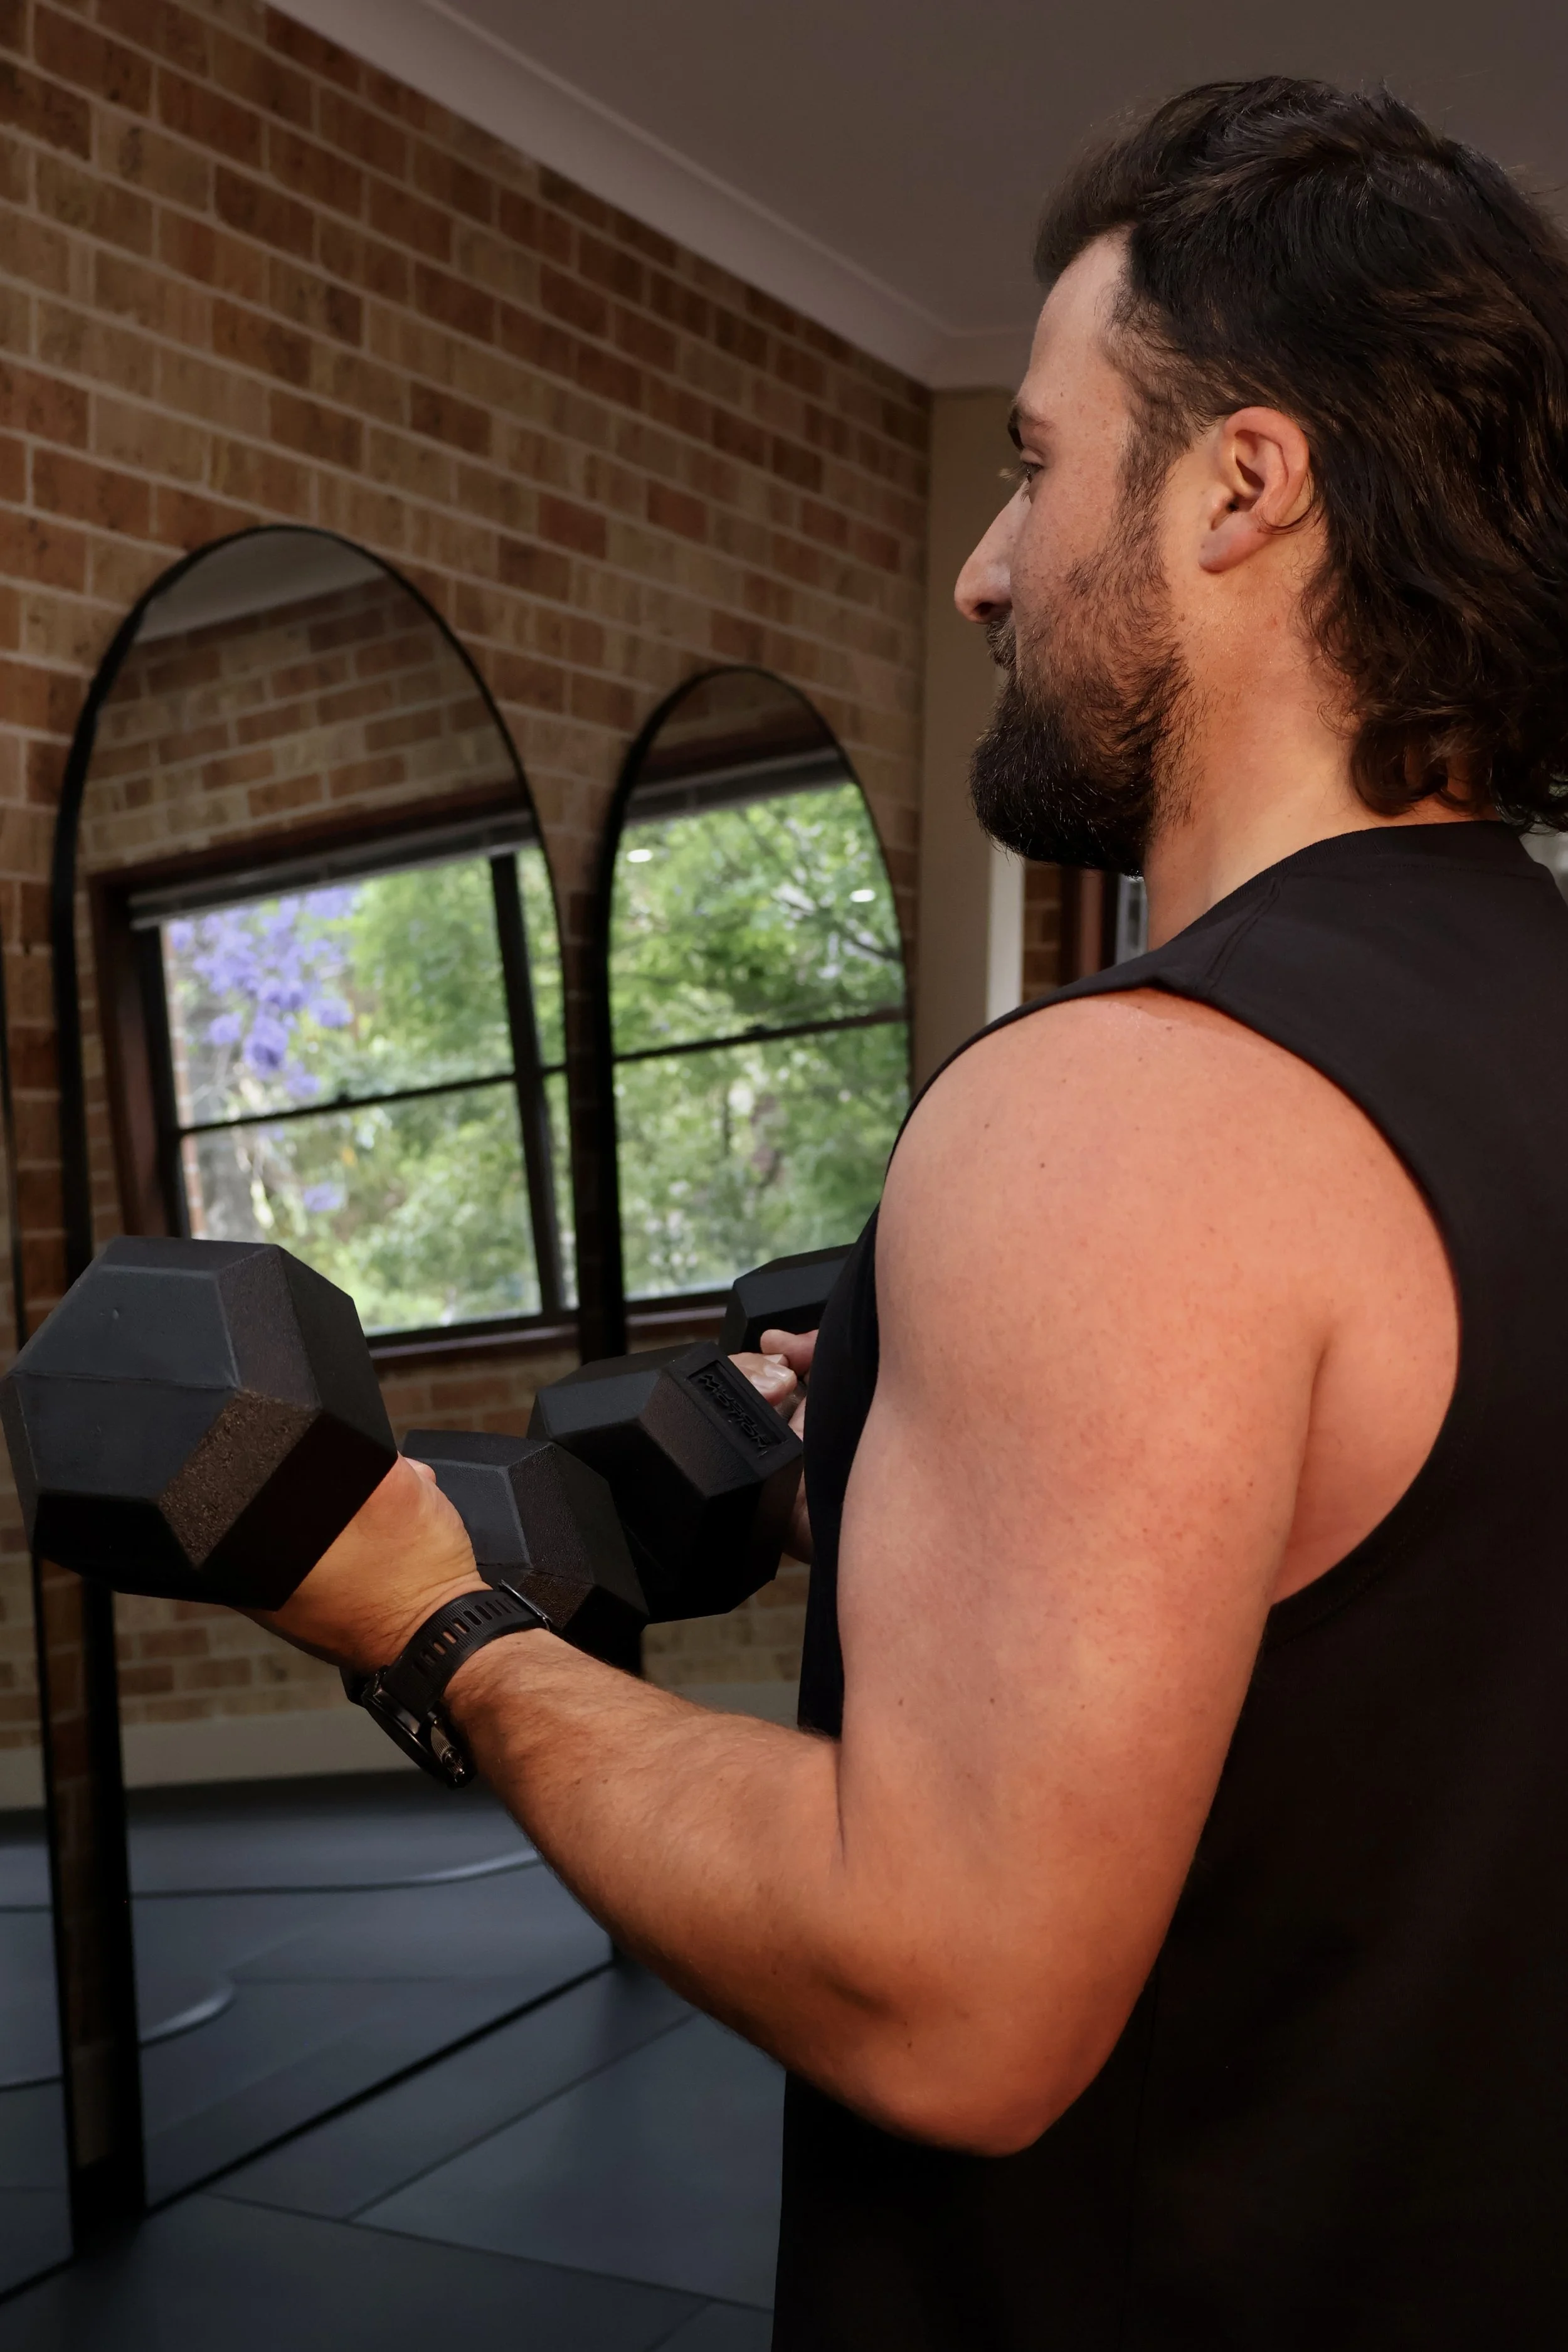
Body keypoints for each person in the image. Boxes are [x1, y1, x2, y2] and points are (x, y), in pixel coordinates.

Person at [260, 79, 1568, 2347]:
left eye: (1038, 462)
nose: (983, 565)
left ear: (1244, 487)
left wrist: (436, 1625)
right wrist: (877, 1466)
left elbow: (948, 1999)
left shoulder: (1130, 1108)